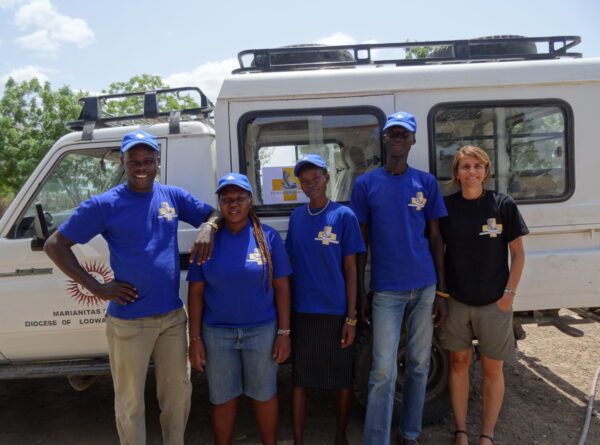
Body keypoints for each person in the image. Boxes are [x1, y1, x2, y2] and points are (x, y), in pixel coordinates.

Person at [43, 129, 219, 445]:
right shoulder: (104, 204)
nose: (141, 167)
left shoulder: (172, 196)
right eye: (134, 160)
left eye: (148, 160)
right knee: (130, 403)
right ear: (123, 162)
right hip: (128, 322)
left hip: (172, 320)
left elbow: (214, 213)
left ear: (157, 161)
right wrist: (95, 286)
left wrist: (207, 227)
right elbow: (55, 245)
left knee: (178, 396)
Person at [349, 111, 448, 445]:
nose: (397, 139)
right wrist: (361, 294)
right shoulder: (366, 184)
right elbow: (359, 242)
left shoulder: (426, 183)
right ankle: (376, 439)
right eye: (392, 134)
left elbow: (436, 238)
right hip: (386, 290)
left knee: (419, 364)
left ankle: (410, 433)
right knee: (381, 371)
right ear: (385, 139)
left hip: (424, 286)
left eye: (403, 135)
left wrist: (443, 293)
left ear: (413, 140)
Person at [187, 173, 292, 445]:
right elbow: (196, 293)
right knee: (222, 398)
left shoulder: (267, 237)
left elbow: (282, 287)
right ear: (219, 203)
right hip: (217, 334)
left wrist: (284, 331)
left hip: (262, 332)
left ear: (250, 201)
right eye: (227, 199)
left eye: (239, 198)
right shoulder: (206, 241)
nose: (233, 204)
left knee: (264, 394)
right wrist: (195, 338)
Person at [439, 146, 528, 445]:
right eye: (465, 166)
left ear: (486, 171)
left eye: (477, 166)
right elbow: (439, 251)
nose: (471, 172)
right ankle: (461, 431)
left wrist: (509, 296)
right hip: (458, 303)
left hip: (494, 303)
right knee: (459, 364)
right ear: (457, 173)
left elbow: (518, 255)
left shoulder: (502, 205)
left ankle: (486, 435)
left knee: (492, 369)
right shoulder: (447, 207)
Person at [285, 154, 366, 445]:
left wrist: (352, 318)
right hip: (304, 311)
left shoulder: (344, 216)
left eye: (316, 178)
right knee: (301, 379)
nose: (311, 185)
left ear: (327, 178)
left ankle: (340, 436)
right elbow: (290, 265)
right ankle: (298, 439)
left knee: (342, 380)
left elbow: (351, 270)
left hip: (336, 312)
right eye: (305, 181)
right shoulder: (296, 217)